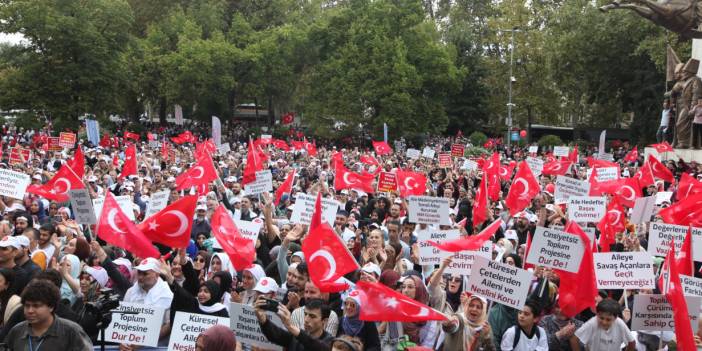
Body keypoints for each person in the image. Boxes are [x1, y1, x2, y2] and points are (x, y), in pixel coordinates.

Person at [3, 279, 92, 350]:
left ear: (51, 307)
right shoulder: (17, 331)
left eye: (36, 306)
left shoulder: (71, 331)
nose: (30, 310)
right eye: (27, 306)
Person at [255, 297, 334, 351]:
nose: (306, 320)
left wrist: (290, 326)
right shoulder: (297, 335)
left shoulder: (330, 343)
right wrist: (263, 319)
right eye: (305, 314)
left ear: (324, 321)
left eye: (312, 316)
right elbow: (276, 335)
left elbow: (313, 345)